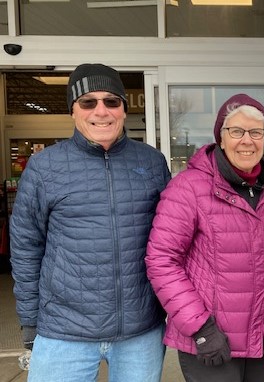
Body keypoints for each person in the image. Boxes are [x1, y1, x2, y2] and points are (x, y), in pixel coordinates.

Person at [10, 63, 171, 381]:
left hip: (140, 330)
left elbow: (172, 239)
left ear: (124, 109)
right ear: (73, 110)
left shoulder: (152, 162)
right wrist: (30, 319)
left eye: (112, 101)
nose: (102, 111)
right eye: (89, 102)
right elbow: (25, 246)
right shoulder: (44, 167)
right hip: (64, 331)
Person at [145, 93, 264, 382]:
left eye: (256, 132)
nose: (246, 140)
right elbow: (161, 261)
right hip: (212, 342)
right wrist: (201, 329)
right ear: (220, 138)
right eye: (236, 131)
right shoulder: (188, 188)